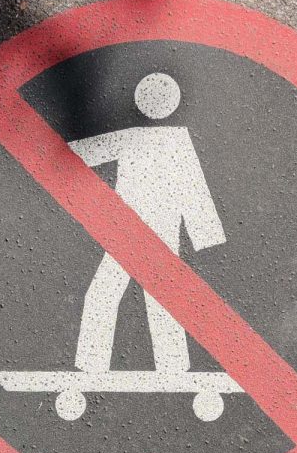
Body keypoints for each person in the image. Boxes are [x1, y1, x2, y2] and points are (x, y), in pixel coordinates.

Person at [69, 72, 225, 374]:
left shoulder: (135, 137)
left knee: (108, 292)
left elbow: (83, 151)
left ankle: (92, 363)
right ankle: (172, 364)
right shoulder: (171, 140)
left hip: (133, 228)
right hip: (149, 228)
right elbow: (194, 191)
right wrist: (204, 233)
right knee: (155, 296)